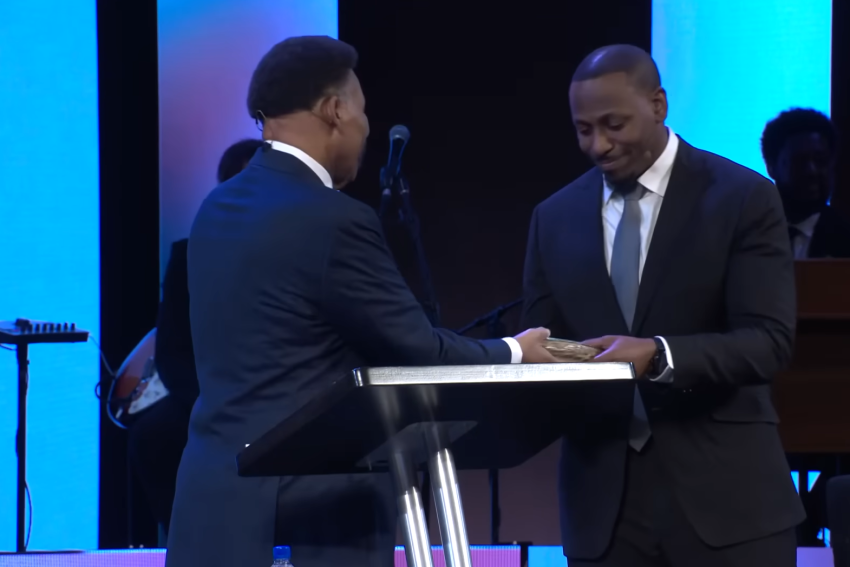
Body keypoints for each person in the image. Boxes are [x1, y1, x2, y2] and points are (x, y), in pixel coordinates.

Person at [165, 35, 554, 567]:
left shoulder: (215, 209)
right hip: (313, 516)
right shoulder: (332, 218)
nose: (366, 128)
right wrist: (514, 352)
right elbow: (418, 351)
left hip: (214, 506)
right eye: (364, 111)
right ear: (335, 109)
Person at [522, 44, 804, 566]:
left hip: (728, 506)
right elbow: (543, 339)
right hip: (603, 514)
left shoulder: (742, 197)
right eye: (584, 129)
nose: (598, 145)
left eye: (614, 125)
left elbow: (768, 342)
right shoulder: (553, 217)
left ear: (658, 105)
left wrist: (659, 355)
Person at [127, 138, 265, 537]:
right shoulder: (189, 257)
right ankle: (181, 543)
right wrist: (213, 407)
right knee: (152, 435)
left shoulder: (299, 250)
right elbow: (171, 353)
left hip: (276, 395)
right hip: (207, 396)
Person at [761, 107, 850, 259]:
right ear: (771, 167)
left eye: (820, 160)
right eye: (800, 161)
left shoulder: (845, 237)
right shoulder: (748, 232)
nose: (812, 171)